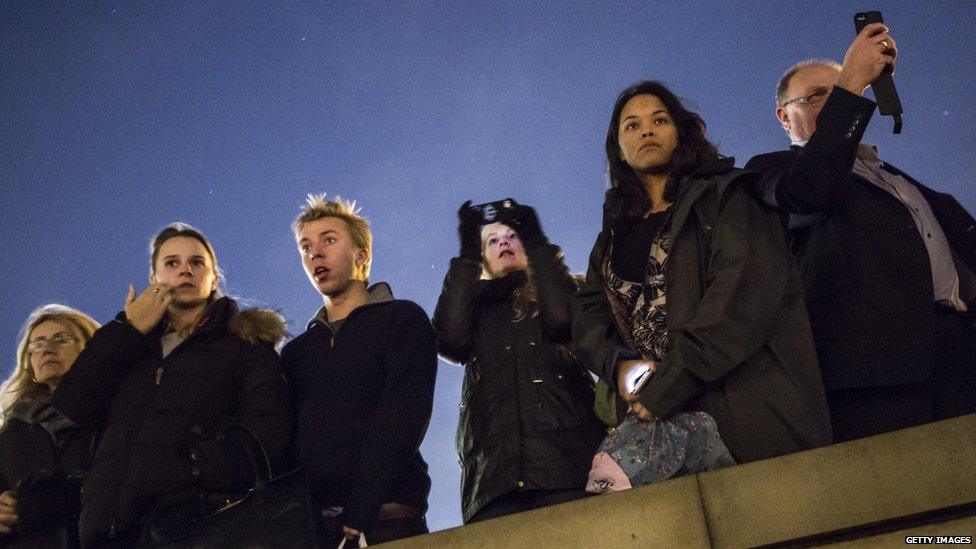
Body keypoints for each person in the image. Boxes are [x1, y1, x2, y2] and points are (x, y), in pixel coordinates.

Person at [573, 81, 831, 464]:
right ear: (619, 151)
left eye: (659, 120)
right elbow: (587, 313)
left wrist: (669, 384)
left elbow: (740, 303)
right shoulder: (610, 237)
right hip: (659, 423)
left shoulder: (729, 195)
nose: (646, 130)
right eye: (632, 125)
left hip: (747, 413)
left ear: (680, 132)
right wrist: (618, 364)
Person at [745, 24, 976, 442]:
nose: (834, 102)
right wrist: (851, 82)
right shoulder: (769, 170)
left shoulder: (898, 178)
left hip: (958, 357)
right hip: (875, 380)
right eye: (817, 95)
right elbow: (812, 191)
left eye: (842, 92)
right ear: (784, 115)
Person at [50, 223, 291, 547]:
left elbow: (270, 432)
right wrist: (128, 328)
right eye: (172, 263)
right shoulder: (128, 346)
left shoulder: (246, 346)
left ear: (214, 277)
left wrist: (194, 467)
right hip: (106, 533)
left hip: (200, 527)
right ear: (154, 279)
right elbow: (73, 403)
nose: (185, 271)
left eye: (197, 262)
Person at [433, 202, 605, 524]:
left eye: (514, 236)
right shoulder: (474, 310)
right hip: (493, 485)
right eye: (493, 240)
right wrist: (467, 252)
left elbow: (563, 320)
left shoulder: (561, 289)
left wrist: (537, 240)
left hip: (568, 470)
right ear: (483, 258)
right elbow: (449, 337)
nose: (504, 243)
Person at [281, 194, 436, 546]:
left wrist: (361, 509)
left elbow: (404, 415)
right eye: (305, 247)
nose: (314, 253)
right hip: (315, 530)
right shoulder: (295, 353)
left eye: (328, 240)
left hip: (388, 521)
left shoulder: (403, 319)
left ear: (361, 255)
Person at [0, 305, 99, 548]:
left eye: (61, 340)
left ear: (89, 348)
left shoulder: (114, 412)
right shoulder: (13, 428)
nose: (47, 349)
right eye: (37, 344)